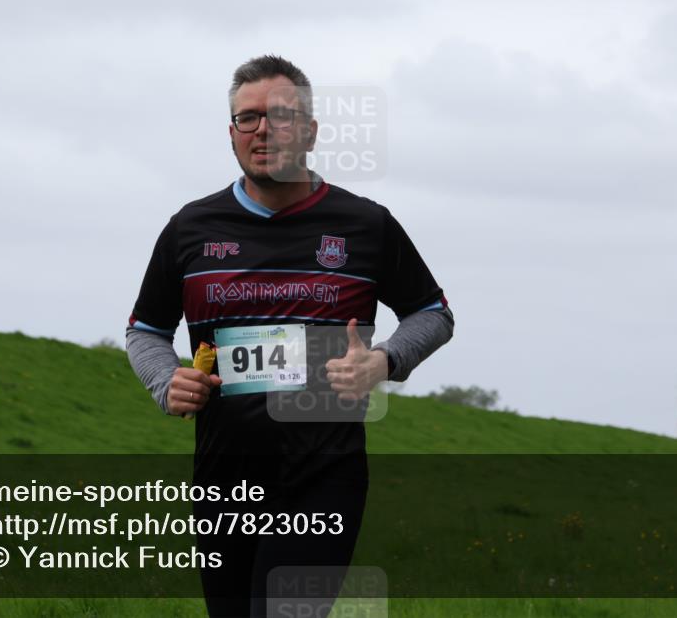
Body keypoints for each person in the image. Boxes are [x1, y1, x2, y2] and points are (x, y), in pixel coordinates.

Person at [125, 54, 454, 618]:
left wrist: (383, 361)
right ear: (232, 133)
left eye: (279, 115)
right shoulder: (190, 228)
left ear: (310, 130)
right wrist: (165, 381)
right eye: (247, 118)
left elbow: (434, 313)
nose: (262, 129)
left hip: (323, 475)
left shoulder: (366, 225)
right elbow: (145, 330)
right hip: (223, 478)